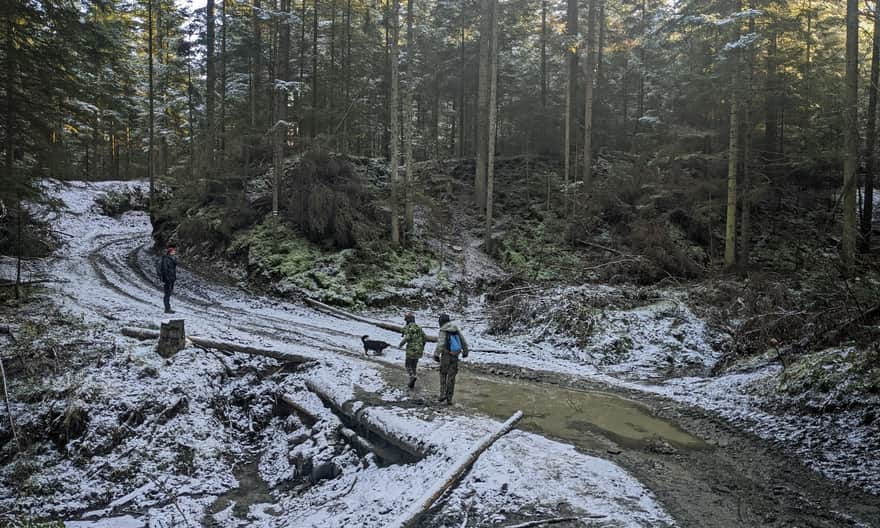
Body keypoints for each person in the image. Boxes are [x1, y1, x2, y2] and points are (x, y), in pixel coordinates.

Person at [433, 313, 469, 405]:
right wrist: (465, 352)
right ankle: (449, 398)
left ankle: (442, 394)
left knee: (443, 374)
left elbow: (440, 343)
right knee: (451, 377)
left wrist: (436, 354)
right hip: (455, 356)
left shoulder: (443, 330)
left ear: (441, 321)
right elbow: (463, 341)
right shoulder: (455, 329)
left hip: (446, 356)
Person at [399, 313, 426, 389]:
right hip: (419, 350)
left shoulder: (408, 327)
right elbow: (425, 337)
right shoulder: (419, 328)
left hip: (411, 349)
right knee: (414, 366)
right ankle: (412, 383)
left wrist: (401, 344)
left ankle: (412, 376)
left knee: (408, 365)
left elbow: (407, 337)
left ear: (407, 320)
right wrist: (422, 346)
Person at [157, 243, 178, 314]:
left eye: (174, 251)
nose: (174, 252)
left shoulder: (171, 258)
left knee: (168, 294)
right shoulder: (166, 259)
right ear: (170, 251)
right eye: (173, 251)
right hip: (168, 279)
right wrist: (167, 279)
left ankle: (168, 308)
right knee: (167, 294)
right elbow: (165, 270)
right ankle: (167, 309)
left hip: (171, 279)